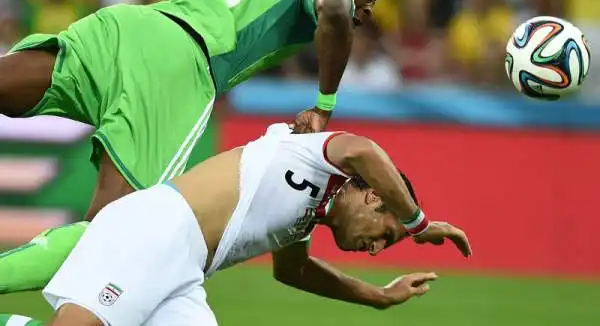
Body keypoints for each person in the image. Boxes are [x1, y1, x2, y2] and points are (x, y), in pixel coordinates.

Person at [0, 0, 385, 294]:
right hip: (180, 66)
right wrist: (323, 105)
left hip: (126, 26)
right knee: (112, 233)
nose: (366, 11)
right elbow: (334, 9)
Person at [34, 123, 470, 325]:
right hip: (156, 231)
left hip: (184, 272)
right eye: (385, 236)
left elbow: (292, 269)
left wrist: (379, 297)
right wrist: (417, 224)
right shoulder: (315, 157)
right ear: (375, 195)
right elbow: (364, 151)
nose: (375, 250)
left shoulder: (307, 215)